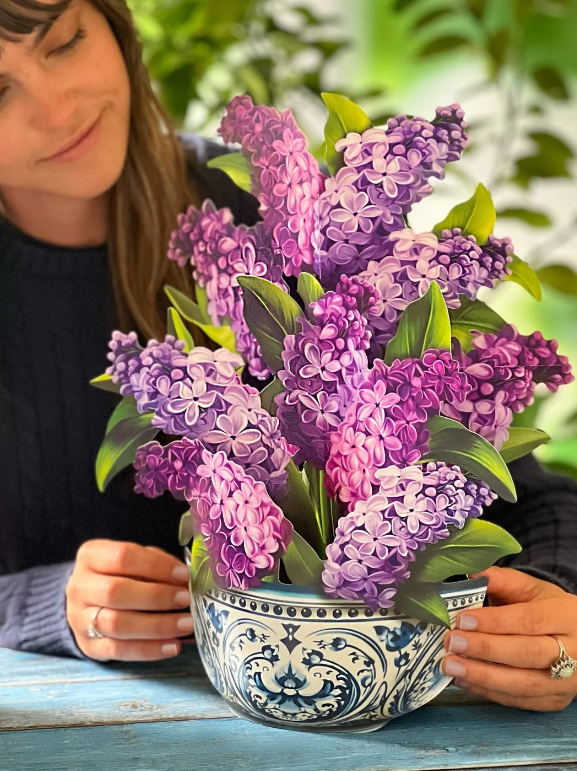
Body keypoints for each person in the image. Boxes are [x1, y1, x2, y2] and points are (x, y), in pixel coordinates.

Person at [0, 0, 575, 715]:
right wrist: (36, 604)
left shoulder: (273, 225)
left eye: (66, 43)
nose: (58, 111)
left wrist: (557, 609)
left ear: (114, 28)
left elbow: (525, 494)